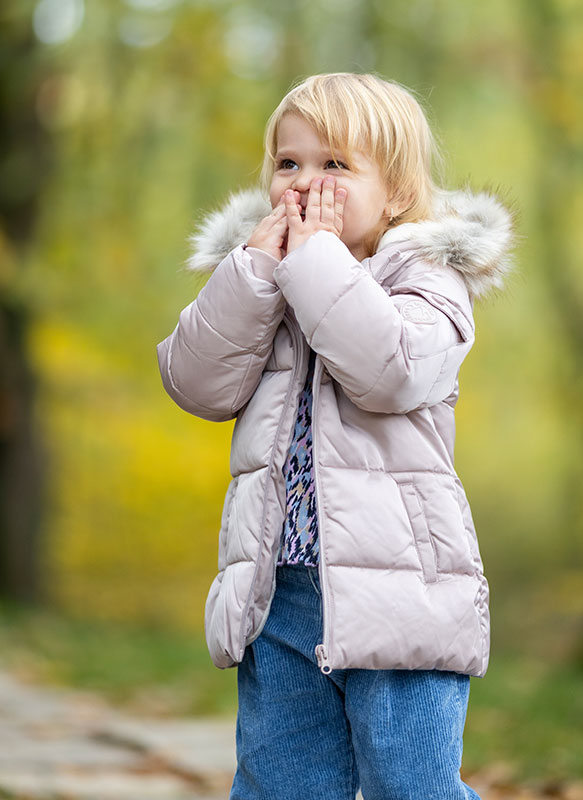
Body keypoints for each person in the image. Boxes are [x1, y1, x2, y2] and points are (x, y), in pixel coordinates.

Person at [157, 72, 514, 799]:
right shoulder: (266, 280)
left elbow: (390, 372)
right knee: (279, 783)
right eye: (288, 163)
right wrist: (254, 272)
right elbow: (196, 384)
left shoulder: (428, 278)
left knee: (409, 784)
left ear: (398, 193)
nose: (304, 183)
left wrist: (314, 262)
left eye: (335, 165)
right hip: (280, 585)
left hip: (399, 588)